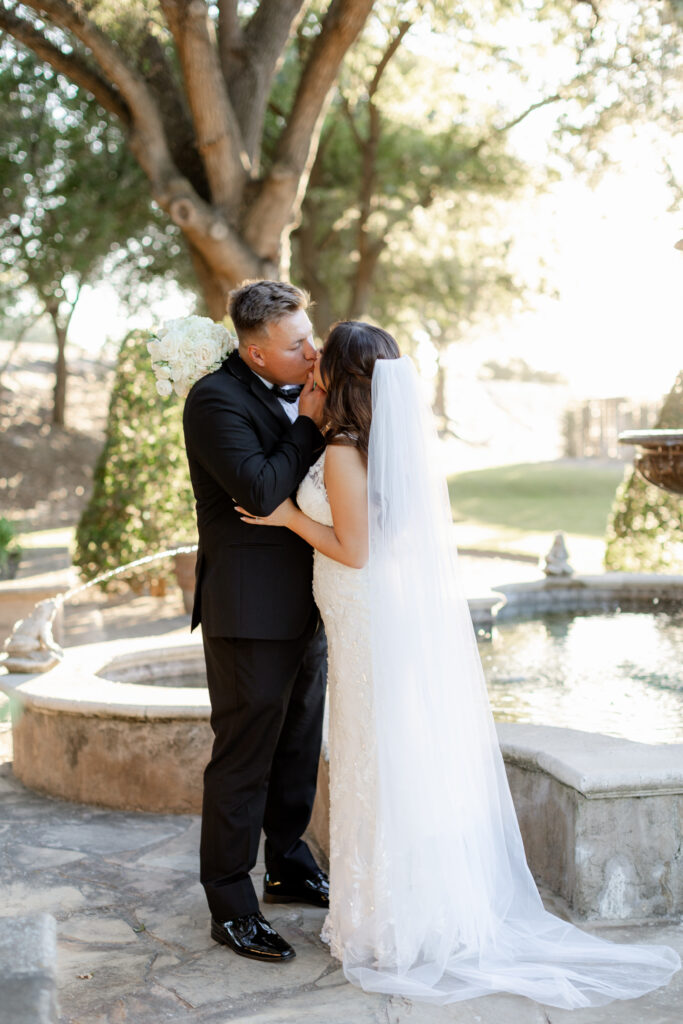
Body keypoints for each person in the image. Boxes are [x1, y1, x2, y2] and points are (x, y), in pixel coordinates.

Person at [237, 320, 681, 1007]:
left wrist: (284, 519)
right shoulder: (358, 447)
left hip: (364, 622)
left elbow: (353, 550)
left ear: (347, 381)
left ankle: (392, 923)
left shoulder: (350, 456)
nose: (313, 367)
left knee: (376, 765)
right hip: (359, 624)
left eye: (324, 362)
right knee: (371, 763)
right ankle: (382, 913)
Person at [182, 280, 330, 964]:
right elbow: (263, 489)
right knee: (243, 758)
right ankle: (230, 905)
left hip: (311, 598)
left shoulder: (300, 382)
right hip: (248, 611)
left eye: (309, 333)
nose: (312, 350)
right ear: (256, 354)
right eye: (296, 344)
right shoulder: (213, 401)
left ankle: (288, 864)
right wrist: (307, 421)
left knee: (298, 743)